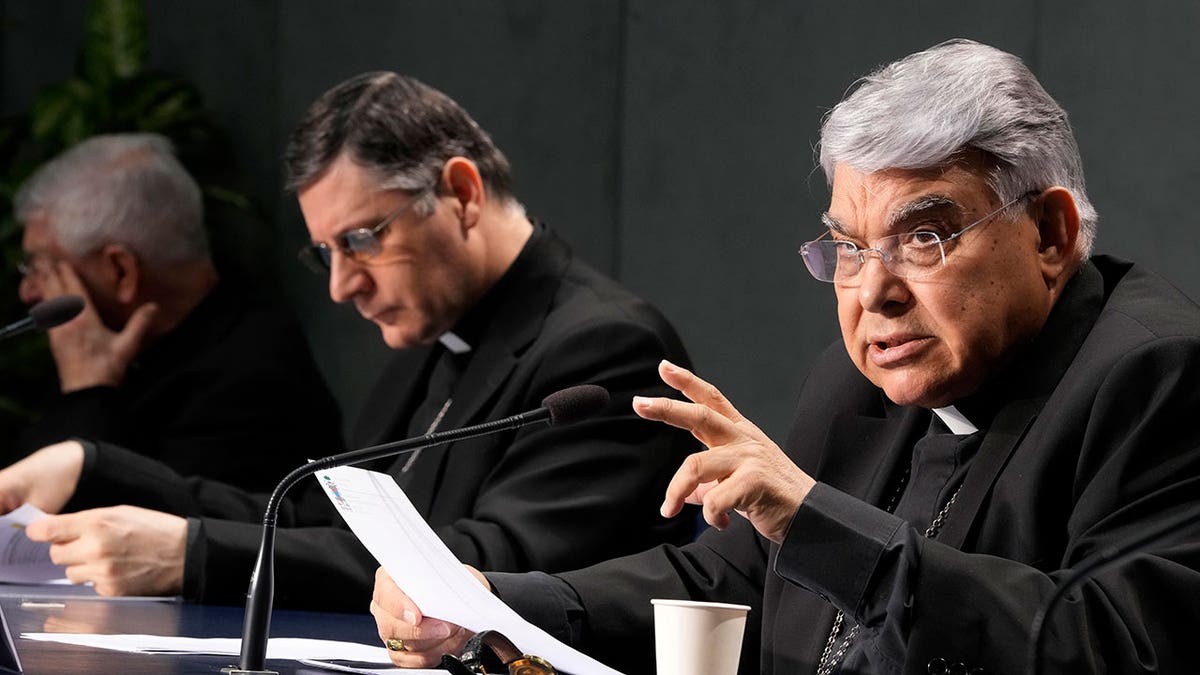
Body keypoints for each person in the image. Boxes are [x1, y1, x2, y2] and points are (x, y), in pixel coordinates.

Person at [368, 40, 1200, 674]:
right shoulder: (861, 378)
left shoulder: (1155, 375)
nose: (873, 293)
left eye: (922, 237)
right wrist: (499, 603)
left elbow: (1114, 642)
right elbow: (729, 578)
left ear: (1050, 234)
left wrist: (821, 525)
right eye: (846, 246)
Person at [0, 73, 698, 611]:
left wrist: (195, 555)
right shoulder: (436, 329)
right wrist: (90, 466)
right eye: (326, 252)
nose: (340, 286)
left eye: (362, 240)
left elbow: (491, 563)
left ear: (461, 192)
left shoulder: (606, 347)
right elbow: (311, 513)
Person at [8, 133, 342, 491]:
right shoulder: (126, 344)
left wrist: (87, 391)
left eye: (42, 269)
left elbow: (78, 527)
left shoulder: (250, 383)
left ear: (120, 271)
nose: (27, 291)